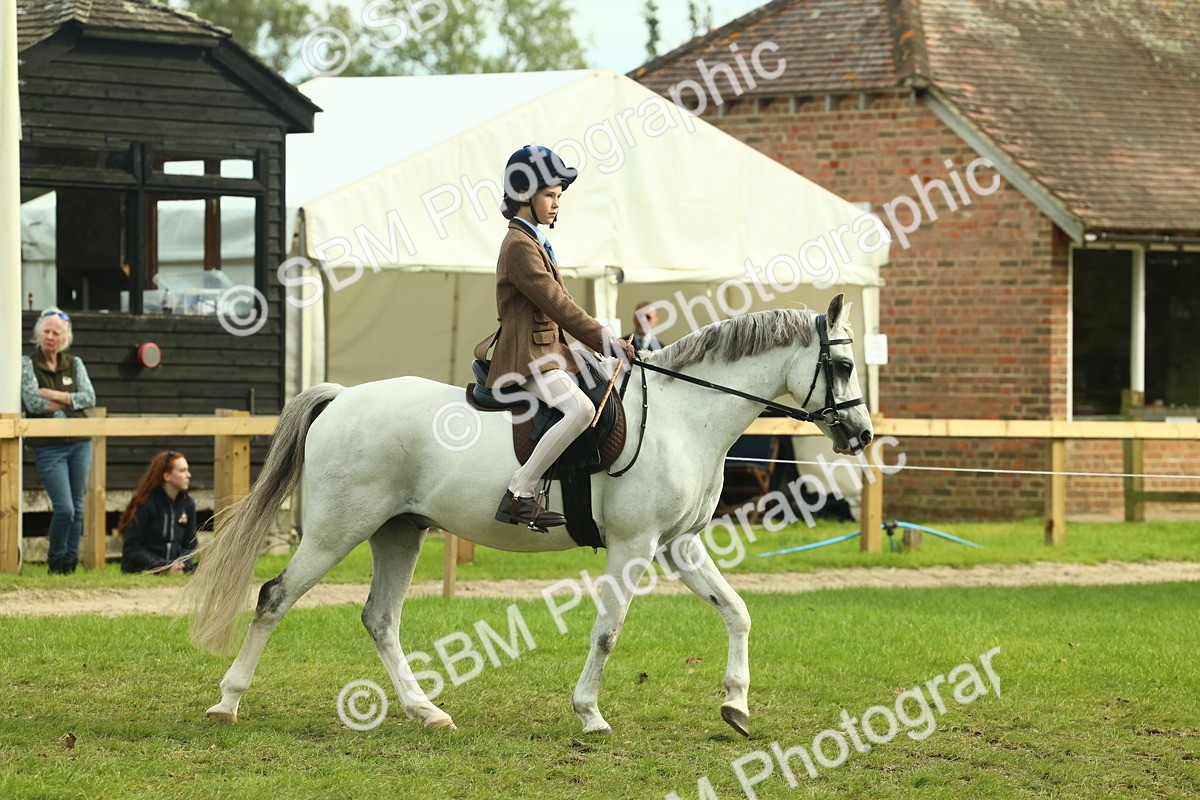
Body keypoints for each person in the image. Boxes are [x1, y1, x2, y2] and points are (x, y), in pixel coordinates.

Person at [476, 144, 636, 531]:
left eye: (559, 196)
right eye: (549, 195)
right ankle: (520, 493)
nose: (556, 203)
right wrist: (607, 342)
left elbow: (560, 305)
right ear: (522, 195)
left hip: (549, 351)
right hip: (526, 356)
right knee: (580, 410)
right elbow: (559, 305)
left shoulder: (533, 240)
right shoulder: (518, 246)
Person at [20, 307, 96, 574]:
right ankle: (55, 560)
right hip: (48, 445)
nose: (50, 336)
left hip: (80, 441)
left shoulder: (74, 363)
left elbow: (89, 397)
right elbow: (32, 401)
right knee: (64, 508)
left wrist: (54, 395)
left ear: (65, 338)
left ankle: (69, 564)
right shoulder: (27, 363)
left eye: (56, 333)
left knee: (77, 506)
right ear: (38, 333)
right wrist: (69, 397)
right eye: (47, 331)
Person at [119, 451, 199, 574]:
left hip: (177, 568)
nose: (189, 475)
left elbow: (190, 544)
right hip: (147, 568)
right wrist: (164, 567)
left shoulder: (188, 505)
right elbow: (132, 550)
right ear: (167, 476)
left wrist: (183, 564)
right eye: (182, 471)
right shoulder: (144, 504)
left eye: (187, 470)